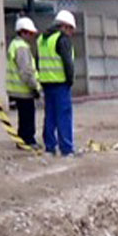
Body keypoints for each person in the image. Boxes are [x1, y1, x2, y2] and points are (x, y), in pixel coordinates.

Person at [37, 10, 77, 156]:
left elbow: (38, 61)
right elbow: (68, 63)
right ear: (64, 26)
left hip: (47, 82)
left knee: (50, 116)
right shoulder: (62, 39)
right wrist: (70, 80)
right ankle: (66, 148)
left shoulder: (42, 39)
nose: (71, 33)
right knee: (63, 116)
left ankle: (50, 147)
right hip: (60, 84)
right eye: (70, 29)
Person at [6, 17, 40, 149]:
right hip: (24, 89)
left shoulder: (14, 45)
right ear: (23, 32)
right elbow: (26, 70)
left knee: (23, 116)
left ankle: (22, 140)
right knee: (28, 116)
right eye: (30, 33)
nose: (31, 36)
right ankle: (28, 140)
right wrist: (35, 87)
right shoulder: (22, 47)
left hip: (17, 88)